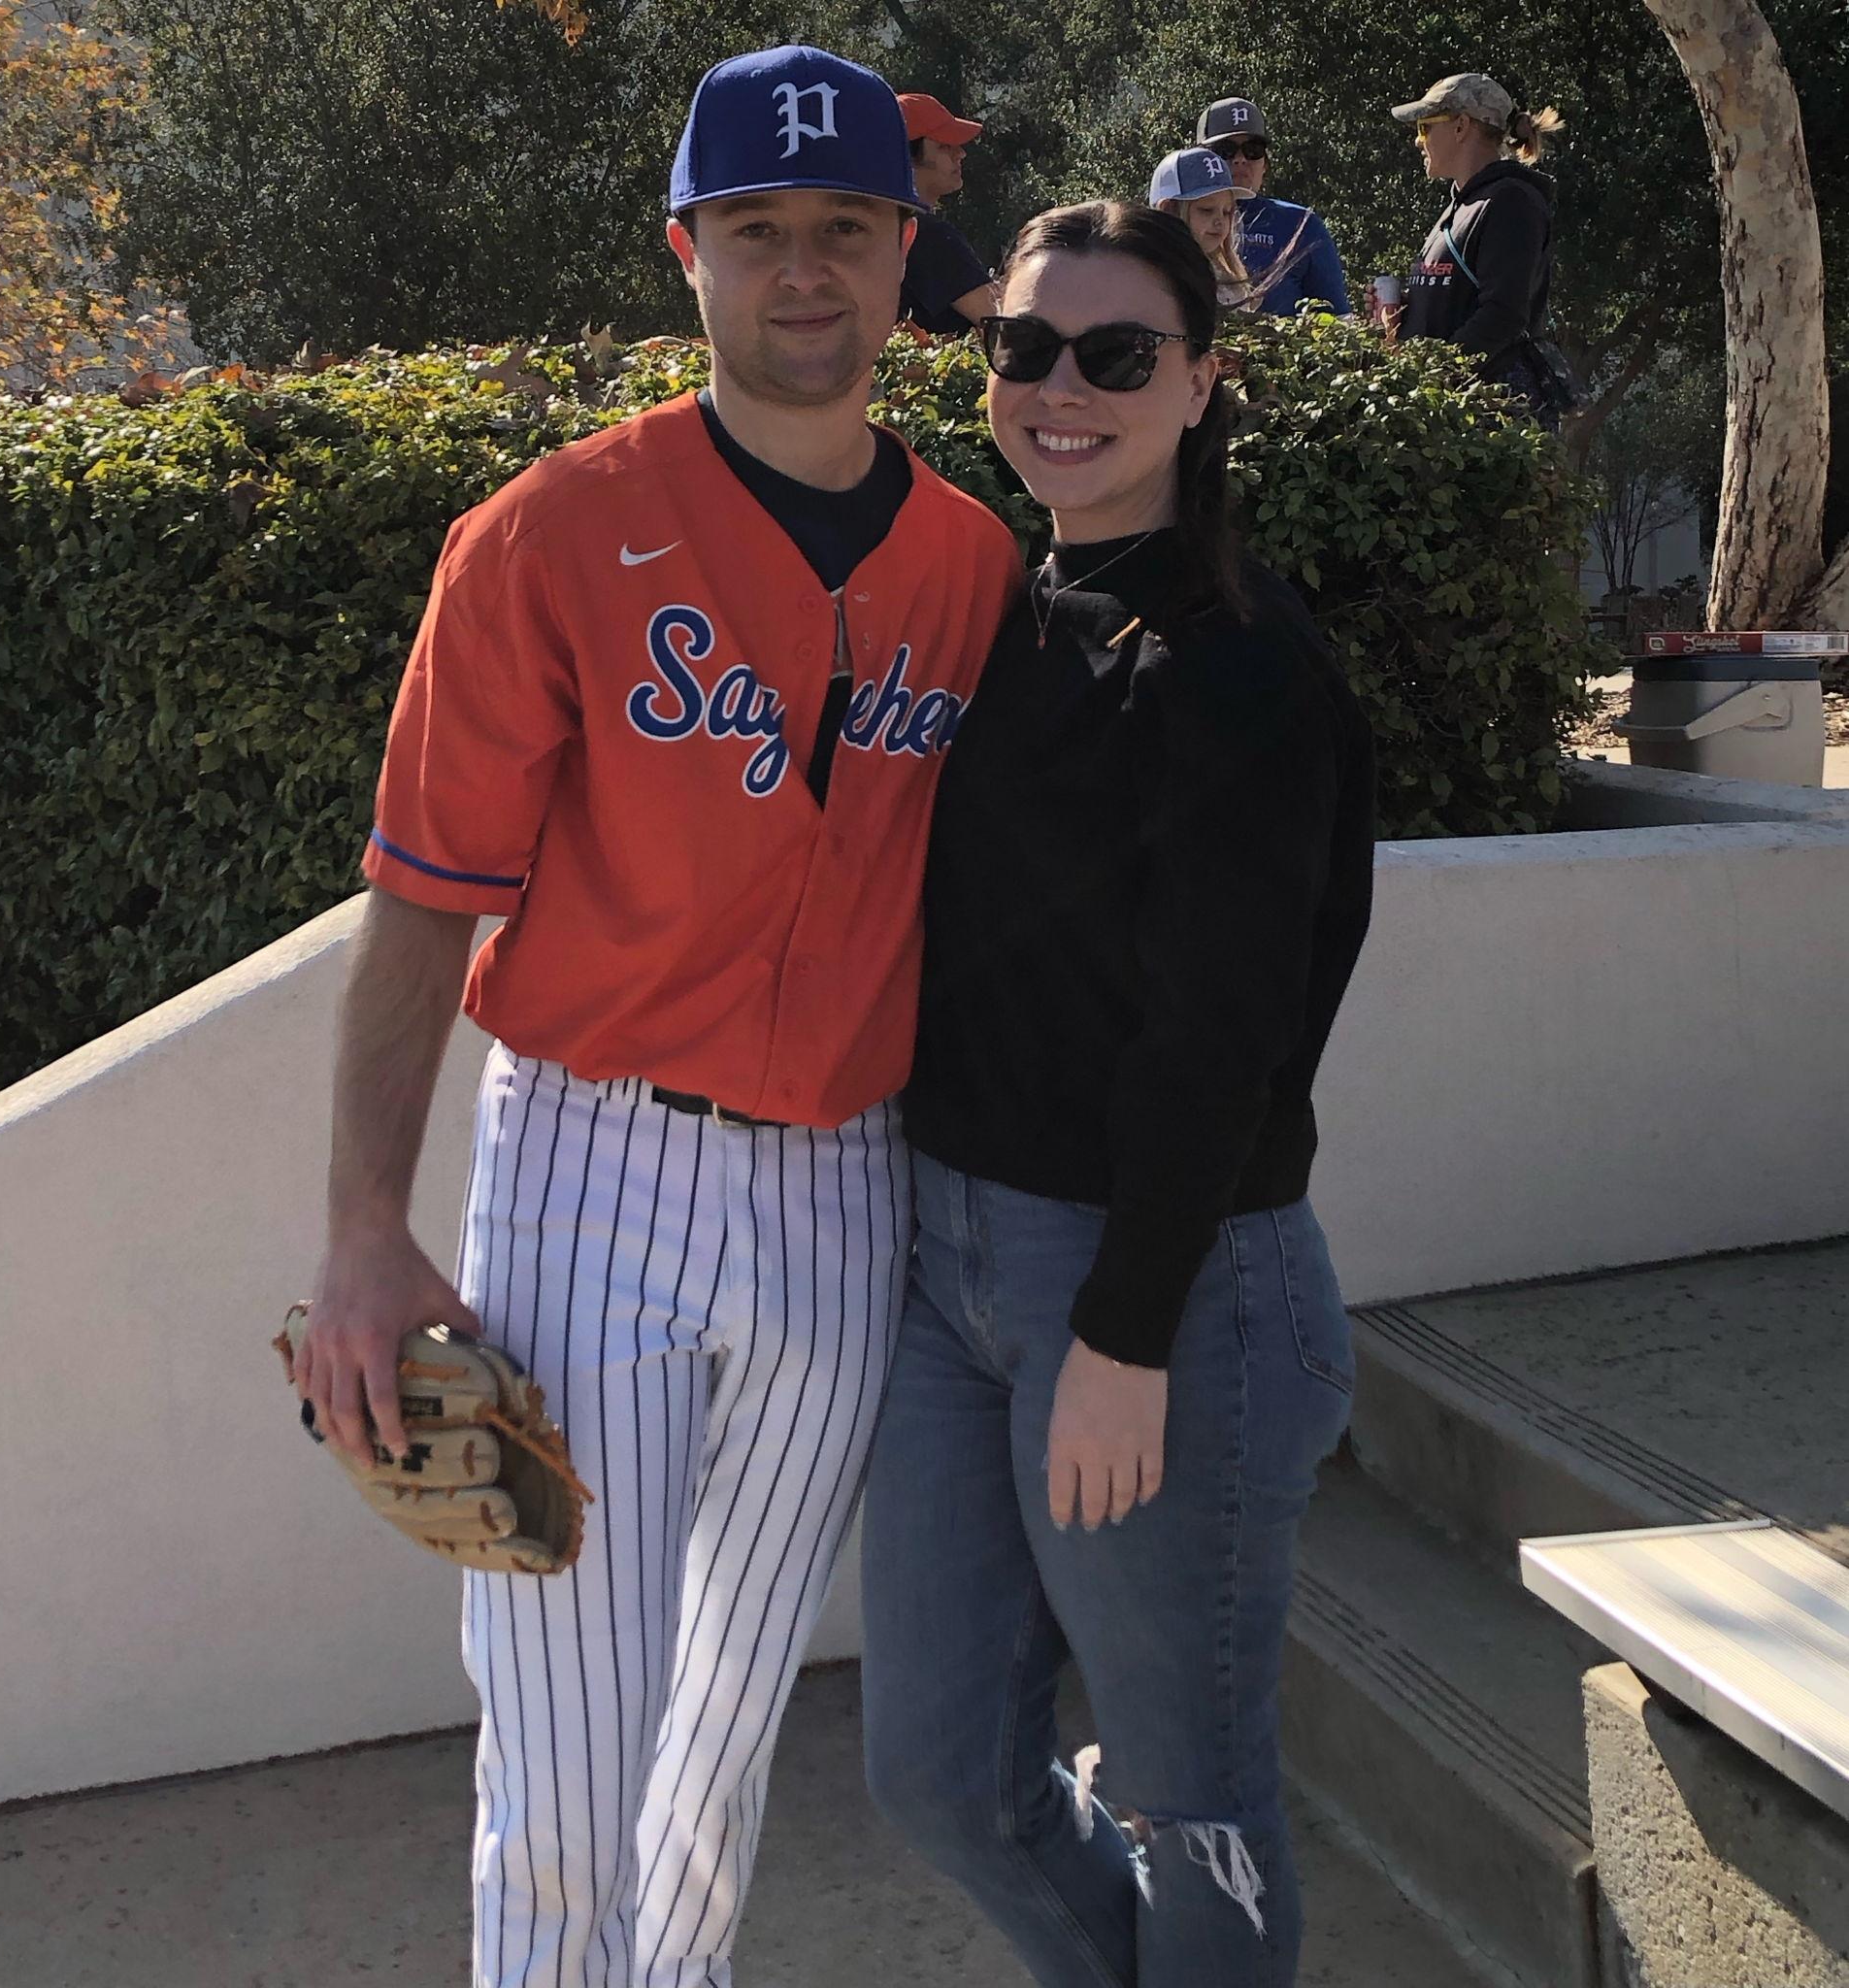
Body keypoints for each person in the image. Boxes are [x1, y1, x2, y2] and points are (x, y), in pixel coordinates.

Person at [290, 43, 1019, 1988]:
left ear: (898, 255)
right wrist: (366, 1234)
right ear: (684, 253)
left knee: (720, 1731)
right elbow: (421, 903)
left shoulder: (968, 563)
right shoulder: (542, 534)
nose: (805, 270)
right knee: (563, 1732)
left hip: (843, 1185)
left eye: (844, 231)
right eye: (757, 231)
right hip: (591, 1168)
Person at [862, 198, 1376, 1988]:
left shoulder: (1236, 663)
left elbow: (1219, 1037)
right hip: (952, 1273)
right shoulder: (1003, 616)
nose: (1061, 386)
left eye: (1117, 354)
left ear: (1201, 382)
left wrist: (1129, 1332)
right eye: (1024, 348)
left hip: (1170, 1294)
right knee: (934, 1770)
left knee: (1196, 1805)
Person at [1384, 73, 1567, 422]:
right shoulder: (1461, 205)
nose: (1418, 142)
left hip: (1493, 417)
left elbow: (1504, 315)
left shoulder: (1511, 200)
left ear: (1461, 126)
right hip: (1448, 412)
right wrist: (1399, 314)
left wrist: (1428, 377)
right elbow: (1454, 301)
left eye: (1424, 127)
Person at [1195, 96, 1350, 316]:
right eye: (1225, 150)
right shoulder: (1175, 222)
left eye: (1253, 150)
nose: (1240, 160)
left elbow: (1338, 320)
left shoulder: (1301, 224)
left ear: (1265, 164)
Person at [897, 90, 998, 334]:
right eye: (944, 146)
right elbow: (1001, 320)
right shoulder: (928, 235)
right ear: (906, 155)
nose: (960, 153)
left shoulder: (882, 225)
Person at [1148, 145, 1255, 309]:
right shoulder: (1147, 278)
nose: (1220, 221)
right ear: (1169, 210)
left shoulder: (1230, 285)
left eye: (1226, 212)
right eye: (1207, 210)